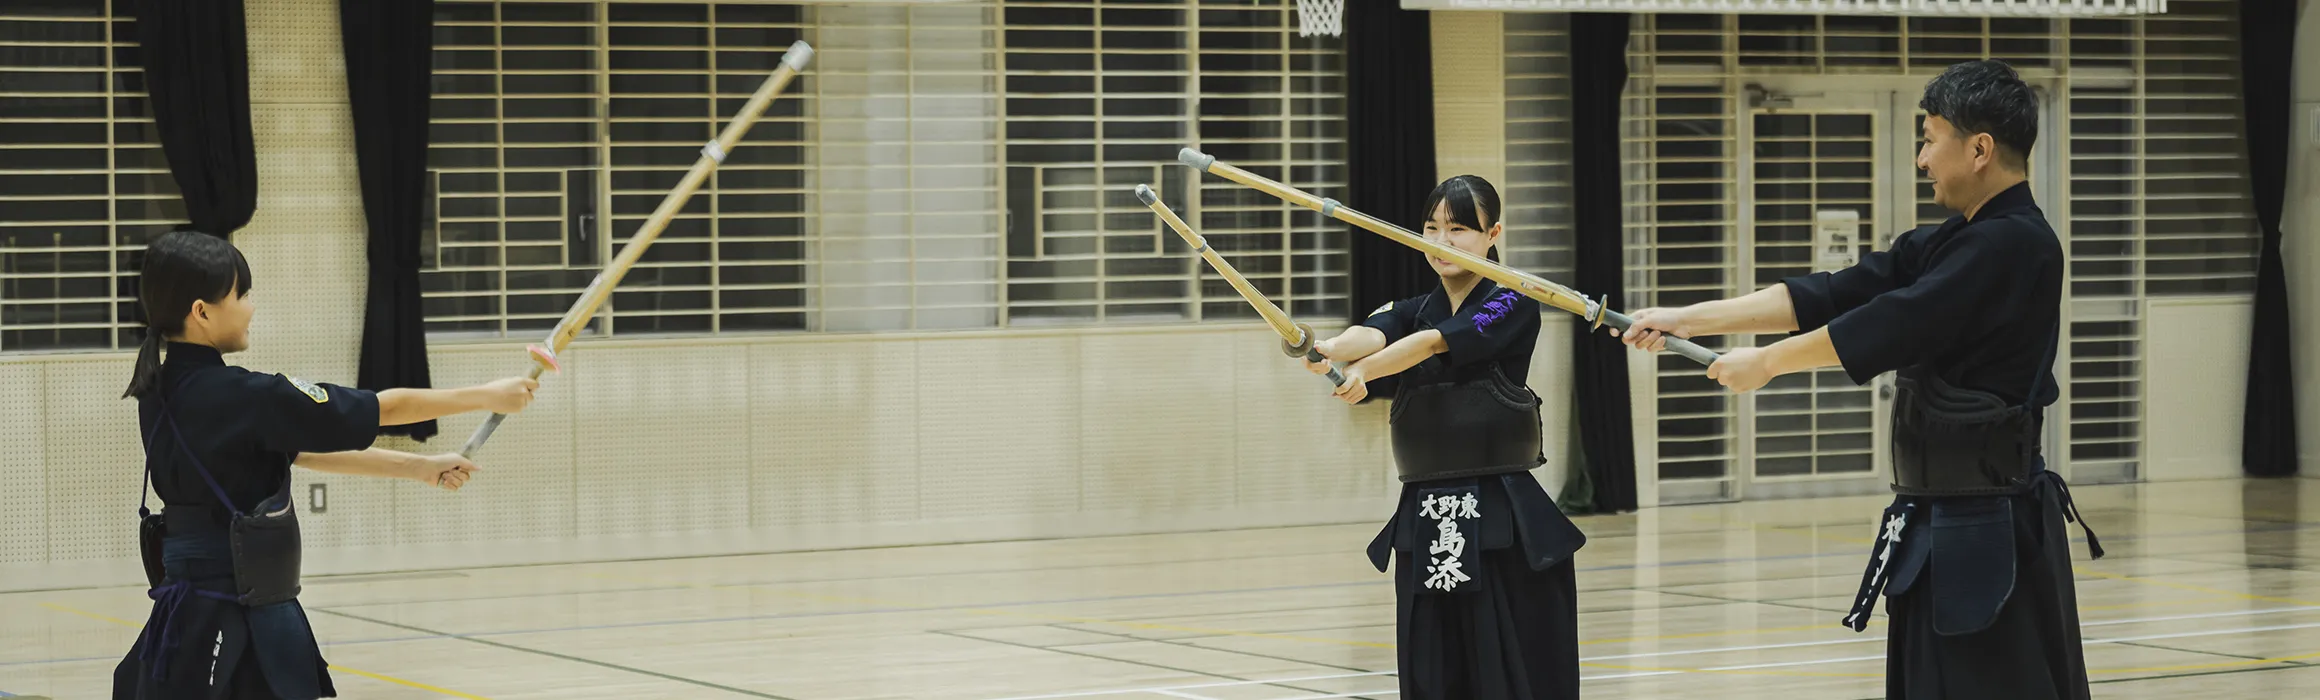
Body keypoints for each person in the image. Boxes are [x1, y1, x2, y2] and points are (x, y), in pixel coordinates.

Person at [1617, 60, 2102, 700]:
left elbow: (1896, 321)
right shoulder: (1954, 240)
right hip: (1937, 514)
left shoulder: (2013, 244)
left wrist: (1767, 362)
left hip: (1991, 525)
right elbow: (1832, 294)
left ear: (1979, 149)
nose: (1922, 159)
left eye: (1930, 140)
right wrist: (1689, 318)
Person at [115, 230, 540, 700]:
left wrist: (418, 466)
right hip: (241, 622)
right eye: (242, 295)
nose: (251, 308)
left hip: (184, 617)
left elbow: (297, 452)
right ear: (202, 311)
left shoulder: (158, 391)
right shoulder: (244, 396)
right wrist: (488, 395)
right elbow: (384, 408)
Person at [1300, 175, 1585, 700]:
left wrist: (1365, 372)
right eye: (1431, 228)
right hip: (1427, 508)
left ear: (1493, 234)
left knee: (1508, 660)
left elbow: (1432, 343)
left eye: (1458, 229)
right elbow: (1374, 331)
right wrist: (1327, 348)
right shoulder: (1414, 305)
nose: (1442, 241)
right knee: (1434, 662)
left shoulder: (1513, 300)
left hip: (1499, 507)